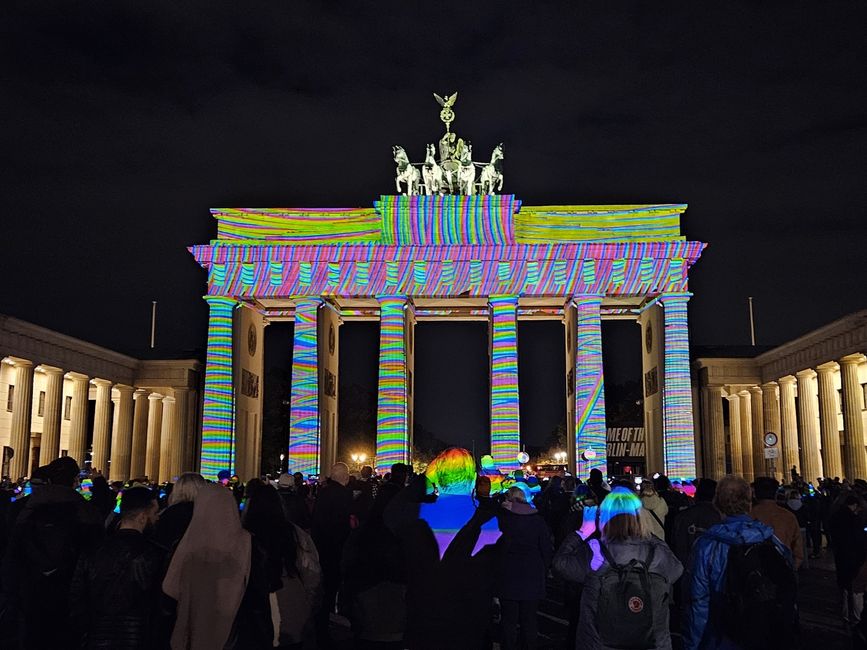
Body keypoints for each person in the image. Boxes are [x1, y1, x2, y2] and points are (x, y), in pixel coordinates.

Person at [386, 447, 502, 650]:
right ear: (474, 478)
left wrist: (423, 478)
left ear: (436, 478)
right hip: (471, 627)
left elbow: (392, 509)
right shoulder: (492, 522)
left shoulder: (414, 515)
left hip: (423, 625)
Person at [554, 486, 682, 649]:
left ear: (603, 516)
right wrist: (648, 533)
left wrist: (582, 532)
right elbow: (676, 570)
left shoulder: (594, 551)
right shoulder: (656, 552)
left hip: (599, 642)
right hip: (651, 642)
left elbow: (560, 564)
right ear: (639, 516)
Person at [1, 456, 104, 649]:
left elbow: (12, 554)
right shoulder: (86, 511)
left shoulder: (22, 509)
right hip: (68, 596)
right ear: (75, 481)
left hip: (31, 594)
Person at [684, 475, 796, 650]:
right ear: (749, 502)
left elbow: (698, 601)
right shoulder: (772, 540)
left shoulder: (707, 545)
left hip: (723, 636)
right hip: (765, 633)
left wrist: (693, 644)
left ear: (717, 504)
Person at [162, 484, 263, 649]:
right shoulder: (249, 544)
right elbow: (258, 596)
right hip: (237, 635)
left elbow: (169, 590)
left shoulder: (184, 545)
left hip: (191, 633)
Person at [70, 487, 162, 649]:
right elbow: (158, 603)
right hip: (138, 637)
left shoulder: (93, 550)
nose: (157, 519)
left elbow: (77, 596)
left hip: (96, 636)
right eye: (154, 514)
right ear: (142, 517)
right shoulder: (154, 554)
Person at [244, 483, 321, 650]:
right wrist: (307, 604)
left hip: (251, 612)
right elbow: (312, 574)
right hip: (291, 608)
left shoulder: (243, 536)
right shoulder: (294, 533)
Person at [498, 486, 553, 650]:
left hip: (508, 575)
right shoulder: (537, 520)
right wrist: (545, 568)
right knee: (529, 620)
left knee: (508, 621)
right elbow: (546, 548)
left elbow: (496, 547)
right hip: (532, 573)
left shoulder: (503, 520)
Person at [312, 462, 354, 648]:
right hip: (337, 545)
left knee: (325, 584)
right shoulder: (345, 494)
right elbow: (346, 522)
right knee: (333, 585)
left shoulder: (323, 492)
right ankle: (330, 617)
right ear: (345, 477)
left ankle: (321, 619)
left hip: (321, 544)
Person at [751, 477, 804, 569]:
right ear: (776, 494)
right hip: (783, 568)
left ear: (754, 494)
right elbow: (798, 549)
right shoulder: (788, 516)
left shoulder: (748, 516)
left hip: (756, 569)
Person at [829, 493, 866, 623]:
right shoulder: (854, 520)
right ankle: (857, 617)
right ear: (855, 505)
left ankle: (845, 614)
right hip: (854, 557)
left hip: (841, 555)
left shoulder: (835, 516)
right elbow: (860, 541)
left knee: (844, 586)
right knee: (856, 588)